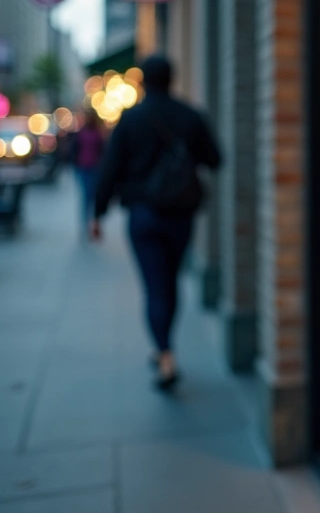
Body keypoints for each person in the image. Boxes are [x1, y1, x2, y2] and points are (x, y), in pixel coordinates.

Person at [91, 55, 221, 390]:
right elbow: (215, 158)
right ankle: (165, 347)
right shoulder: (190, 116)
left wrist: (98, 213)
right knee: (170, 282)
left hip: (144, 214)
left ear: (143, 81)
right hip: (180, 215)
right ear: (172, 79)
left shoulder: (131, 119)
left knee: (154, 285)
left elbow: (110, 169)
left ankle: (164, 353)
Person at [69, 109, 106, 239]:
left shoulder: (98, 133)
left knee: (92, 196)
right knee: (85, 197)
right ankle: (85, 224)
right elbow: (74, 149)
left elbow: (102, 150)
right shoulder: (80, 133)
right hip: (83, 168)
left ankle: (94, 222)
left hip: (95, 168)